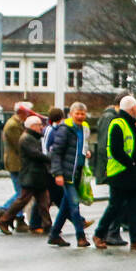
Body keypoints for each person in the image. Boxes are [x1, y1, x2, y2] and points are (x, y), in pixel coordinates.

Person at [93, 96, 136, 251]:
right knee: (115, 206)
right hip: (120, 172)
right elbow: (116, 150)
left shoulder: (130, 124)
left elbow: (132, 148)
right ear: (133, 109)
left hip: (132, 172)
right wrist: (132, 163)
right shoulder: (117, 123)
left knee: (135, 206)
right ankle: (99, 234)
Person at [0, 116, 52, 234]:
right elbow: (35, 154)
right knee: (23, 200)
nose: (41, 127)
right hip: (31, 175)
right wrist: (50, 157)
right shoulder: (26, 139)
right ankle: (4, 220)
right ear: (32, 126)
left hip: (37, 175)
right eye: (39, 125)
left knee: (44, 202)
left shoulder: (33, 137)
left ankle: (48, 225)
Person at [47, 102, 91, 248]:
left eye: (82, 114)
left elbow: (82, 147)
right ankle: (81, 236)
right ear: (71, 114)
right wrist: (57, 173)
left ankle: (54, 234)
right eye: (77, 113)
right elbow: (56, 152)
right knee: (74, 204)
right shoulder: (65, 129)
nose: (80, 116)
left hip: (77, 171)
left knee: (66, 205)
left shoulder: (84, 129)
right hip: (67, 173)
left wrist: (86, 153)